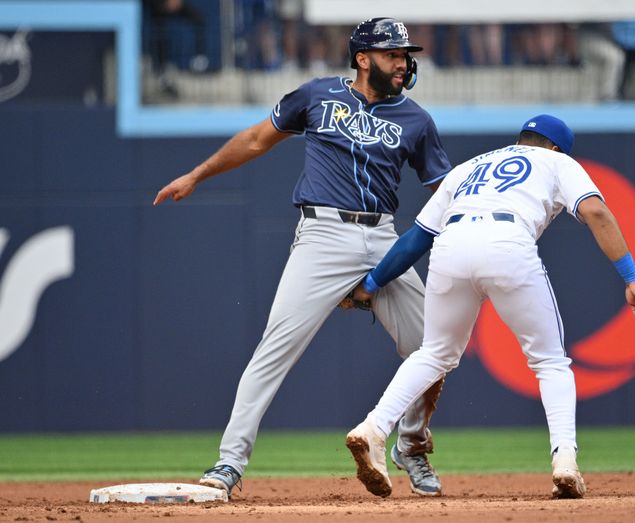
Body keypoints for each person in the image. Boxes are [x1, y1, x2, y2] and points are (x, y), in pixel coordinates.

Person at [153, 17, 451, 497]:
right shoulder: (316, 96)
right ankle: (229, 464)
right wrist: (197, 175)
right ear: (362, 58)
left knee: (433, 350)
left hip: (383, 238)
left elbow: (444, 191)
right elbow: (255, 140)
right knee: (275, 350)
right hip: (323, 236)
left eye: (404, 54)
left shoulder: (416, 120)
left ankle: (411, 445)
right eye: (393, 54)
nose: (403, 62)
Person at [344, 114, 635, 499]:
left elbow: (416, 239)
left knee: (434, 353)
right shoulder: (558, 162)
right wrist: (631, 277)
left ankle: (373, 428)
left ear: (523, 138)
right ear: (556, 147)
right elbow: (595, 211)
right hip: (507, 242)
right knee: (550, 361)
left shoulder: (469, 166)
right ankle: (565, 462)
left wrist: (372, 284)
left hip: (451, 244)